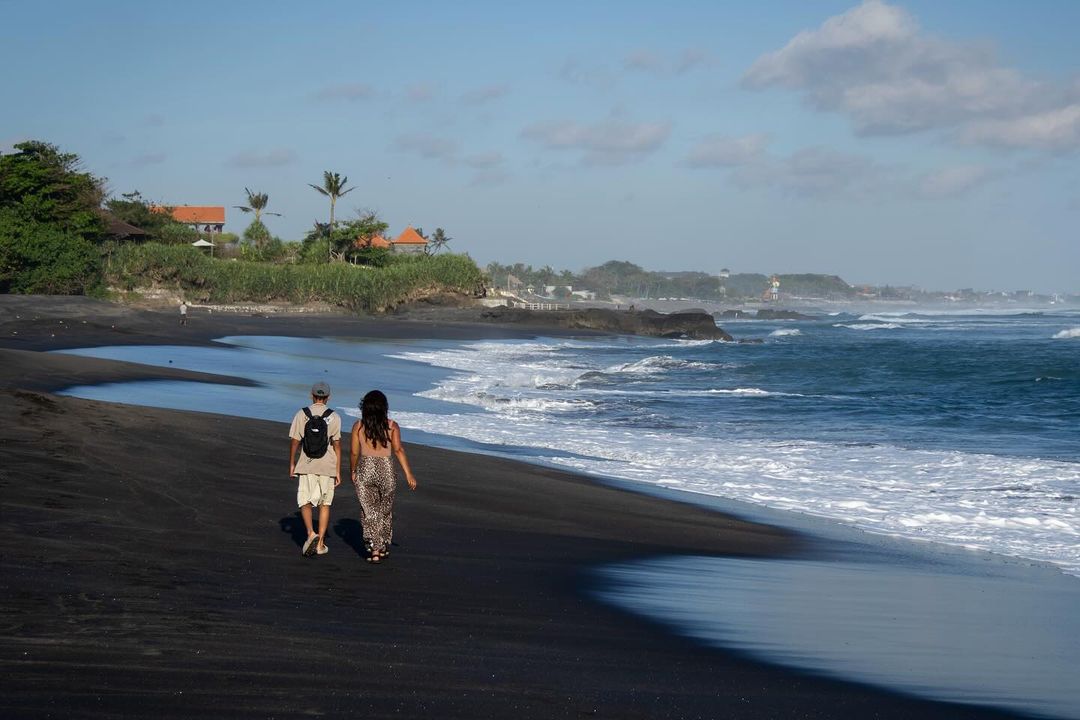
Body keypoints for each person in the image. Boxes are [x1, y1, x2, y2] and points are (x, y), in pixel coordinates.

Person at [349, 390, 417, 563]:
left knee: (369, 511)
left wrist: (353, 470)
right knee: (385, 510)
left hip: (366, 468)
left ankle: (375, 549)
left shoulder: (358, 426)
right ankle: (383, 545)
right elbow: (398, 450)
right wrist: (409, 474)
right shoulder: (392, 425)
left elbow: (354, 452)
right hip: (386, 470)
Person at [288, 381, 342, 557]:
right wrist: (338, 470)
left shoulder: (302, 414)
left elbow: (295, 441)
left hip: (307, 464)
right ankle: (320, 544)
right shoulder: (334, 417)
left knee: (305, 500)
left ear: (311, 395)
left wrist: (292, 463)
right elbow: (337, 445)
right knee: (324, 504)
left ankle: (311, 532)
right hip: (327, 465)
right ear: (328, 397)